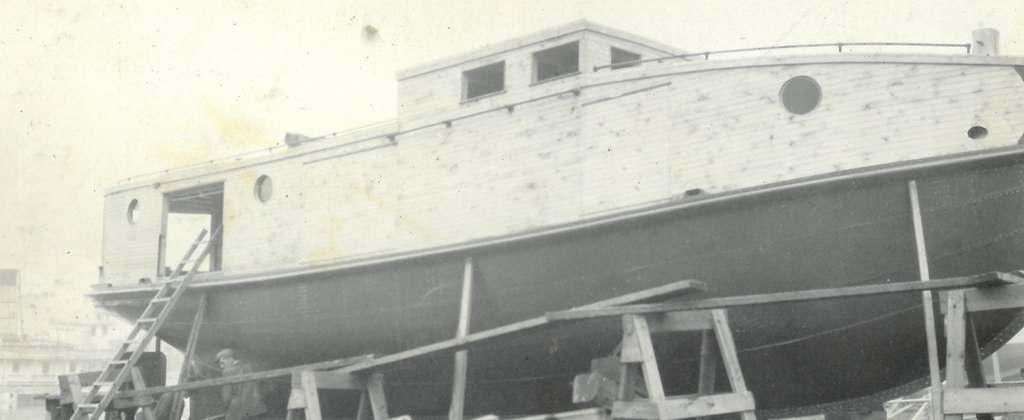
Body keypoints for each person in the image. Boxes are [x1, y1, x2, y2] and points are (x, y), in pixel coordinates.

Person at [216, 348, 268, 420]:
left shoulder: (226, 372)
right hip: (257, 409)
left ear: (230, 359)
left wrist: (225, 410)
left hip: (239, 411)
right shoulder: (249, 366)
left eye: (222, 363)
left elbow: (226, 397)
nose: (221, 367)